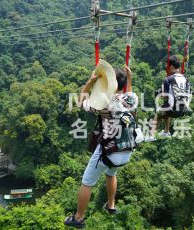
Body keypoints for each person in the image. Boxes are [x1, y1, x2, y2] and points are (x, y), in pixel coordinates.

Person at [64, 64, 138, 229]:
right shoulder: (132, 99)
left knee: (87, 182)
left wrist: (90, 83)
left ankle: (79, 218)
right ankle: (111, 205)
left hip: (108, 152)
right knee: (111, 174)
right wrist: (129, 79)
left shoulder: (102, 102)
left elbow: (81, 100)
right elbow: (129, 93)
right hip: (126, 152)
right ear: (124, 85)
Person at [148, 55, 191, 140]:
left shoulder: (169, 79)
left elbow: (165, 96)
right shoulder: (186, 79)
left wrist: (160, 93)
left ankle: (151, 135)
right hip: (183, 110)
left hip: (172, 109)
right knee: (166, 107)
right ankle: (166, 132)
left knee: (159, 113)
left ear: (171, 66)